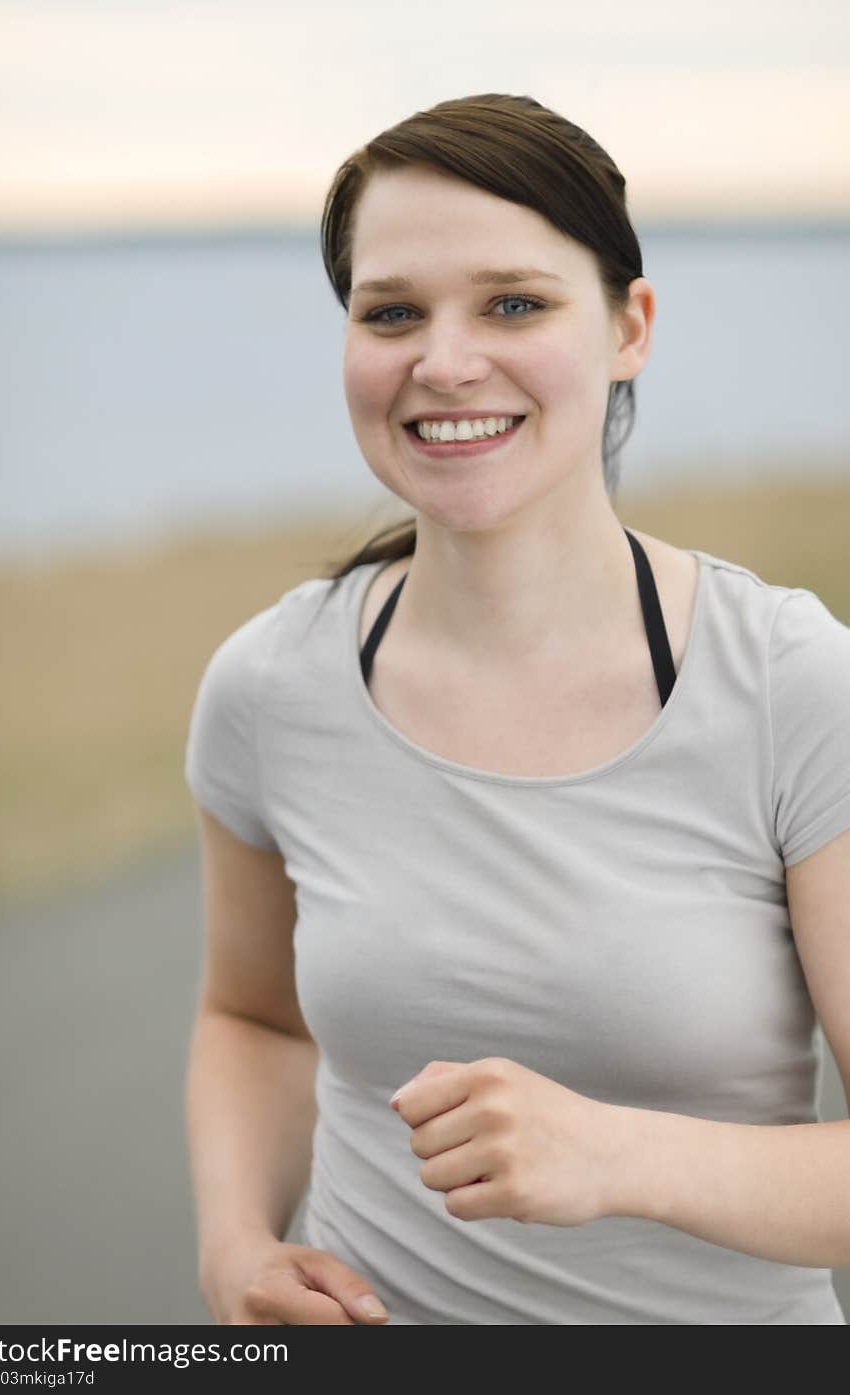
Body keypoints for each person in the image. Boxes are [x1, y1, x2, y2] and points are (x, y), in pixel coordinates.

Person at [183, 93, 850, 1325]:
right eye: (391, 313)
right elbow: (253, 1017)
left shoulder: (792, 683)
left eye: (513, 303)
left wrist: (619, 1157)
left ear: (627, 327)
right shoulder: (270, 685)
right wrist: (235, 1242)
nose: (442, 362)